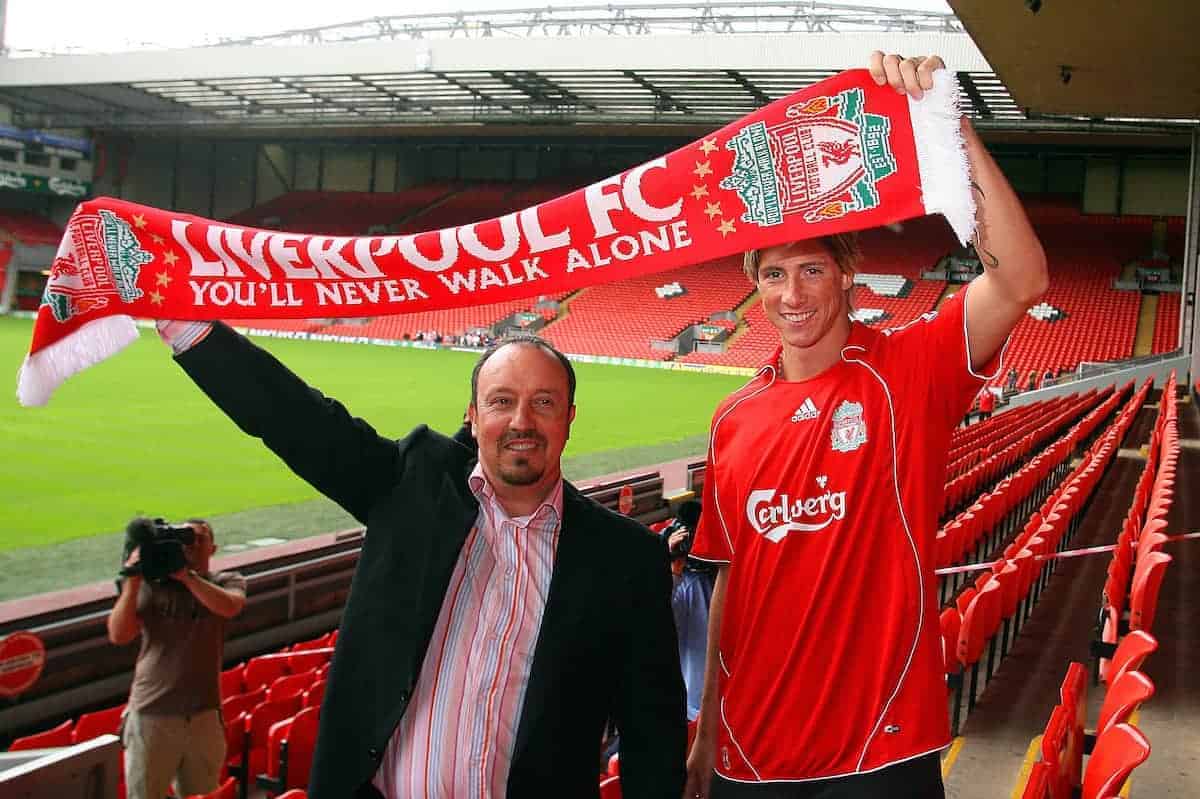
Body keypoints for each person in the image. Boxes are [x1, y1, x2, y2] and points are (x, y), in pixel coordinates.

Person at [684, 51, 1048, 799]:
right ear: (754, 287)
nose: (792, 294)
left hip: (881, 749)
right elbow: (730, 585)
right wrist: (707, 729)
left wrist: (944, 121)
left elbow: (1022, 277)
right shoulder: (731, 419)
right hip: (751, 752)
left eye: (811, 270)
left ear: (847, 273)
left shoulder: (907, 369)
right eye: (773, 275)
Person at [153, 321, 686, 798]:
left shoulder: (626, 558)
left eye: (543, 403)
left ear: (569, 418)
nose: (522, 420)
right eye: (502, 401)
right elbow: (295, 419)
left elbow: (652, 734)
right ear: (473, 417)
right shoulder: (412, 487)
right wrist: (185, 326)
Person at [106, 518, 246, 799]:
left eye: (199, 538)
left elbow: (229, 606)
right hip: (152, 712)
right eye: (186, 538)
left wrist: (186, 576)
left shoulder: (226, 581)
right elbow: (120, 635)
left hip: (204, 713)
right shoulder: (151, 584)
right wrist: (132, 580)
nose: (192, 543)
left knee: (204, 794)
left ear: (213, 548)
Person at [661, 500, 715, 721]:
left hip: (706, 703)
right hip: (694, 708)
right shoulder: (683, 584)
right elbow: (659, 621)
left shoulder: (727, 575)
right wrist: (673, 567)